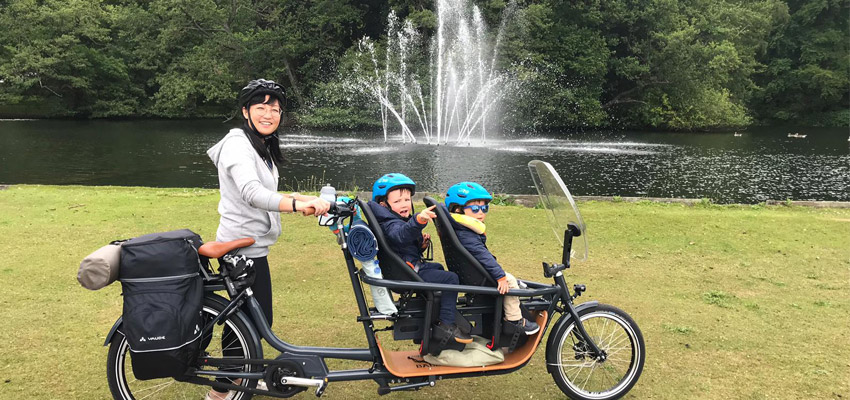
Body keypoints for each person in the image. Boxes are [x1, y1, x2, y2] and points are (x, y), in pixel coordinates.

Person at [205, 79, 330, 400]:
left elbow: (265, 191)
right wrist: (295, 205)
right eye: (261, 107)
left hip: (253, 247)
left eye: (274, 108)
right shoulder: (237, 145)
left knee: (256, 322)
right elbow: (251, 192)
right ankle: (221, 393)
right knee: (245, 326)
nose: (268, 113)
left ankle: (243, 377)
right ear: (246, 111)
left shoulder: (259, 145)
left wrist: (295, 196)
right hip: (239, 249)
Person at [368, 173, 472, 344]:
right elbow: (400, 235)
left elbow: (402, 245)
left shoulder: (392, 219)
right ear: (383, 205)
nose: (404, 205)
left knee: (438, 269)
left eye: (407, 200)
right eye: (397, 201)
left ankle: (430, 312)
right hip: (406, 274)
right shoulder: (390, 223)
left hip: (407, 268)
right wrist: (418, 220)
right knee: (451, 279)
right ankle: (446, 324)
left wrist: (420, 246)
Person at [445, 182, 539, 335]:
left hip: (471, 272)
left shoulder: (459, 228)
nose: (481, 212)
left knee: (512, 280)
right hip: (478, 276)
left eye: (484, 208)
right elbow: (484, 257)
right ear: (458, 210)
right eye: (475, 208)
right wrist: (500, 277)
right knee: (510, 281)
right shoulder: (466, 235)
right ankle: (515, 320)